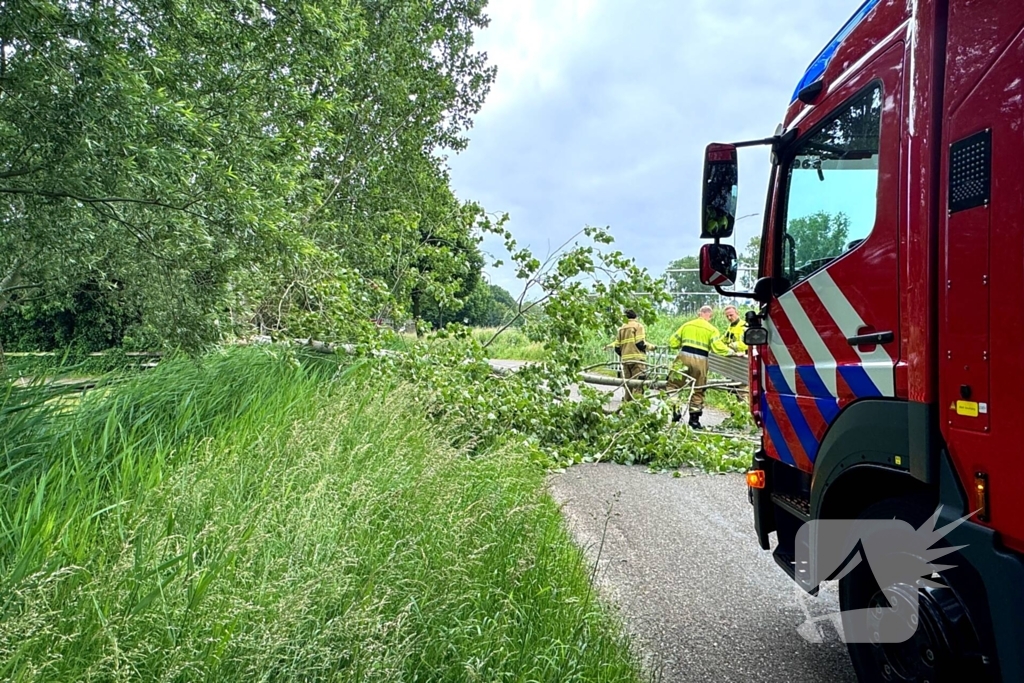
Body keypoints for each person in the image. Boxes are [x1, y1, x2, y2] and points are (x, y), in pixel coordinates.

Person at [666, 305, 731, 429]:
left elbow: (672, 342)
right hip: (701, 361)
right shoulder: (712, 329)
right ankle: (694, 421)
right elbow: (718, 347)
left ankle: (676, 409)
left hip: (683, 358)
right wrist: (732, 353)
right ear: (710, 316)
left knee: (673, 385)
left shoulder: (686, 325)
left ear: (699, 313)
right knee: (698, 389)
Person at [613, 309, 649, 403]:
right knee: (638, 384)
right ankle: (636, 406)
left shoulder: (621, 328)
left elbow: (617, 348)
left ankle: (626, 406)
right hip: (637, 360)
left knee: (628, 385)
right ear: (636, 317)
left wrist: (624, 355)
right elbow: (640, 343)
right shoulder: (638, 326)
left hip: (625, 361)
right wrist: (650, 347)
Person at [722, 305, 750, 404]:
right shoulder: (730, 327)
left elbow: (749, 344)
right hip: (733, 362)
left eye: (731, 315)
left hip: (743, 361)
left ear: (737, 313)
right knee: (732, 388)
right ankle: (736, 412)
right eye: (727, 316)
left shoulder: (744, 327)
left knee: (743, 389)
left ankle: (745, 412)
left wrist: (733, 345)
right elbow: (723, 340)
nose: (729, 318)